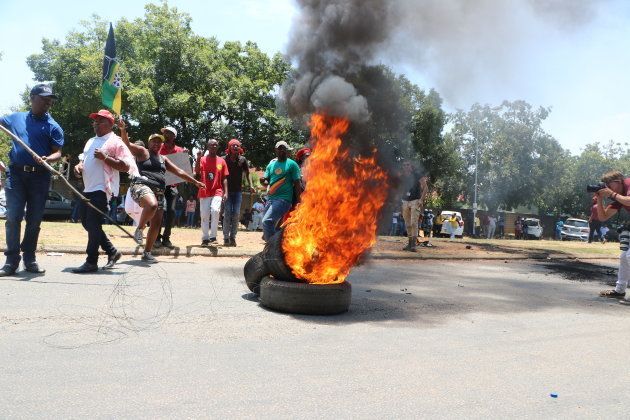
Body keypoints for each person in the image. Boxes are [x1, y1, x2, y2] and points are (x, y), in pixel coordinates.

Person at [0, 84, 64, 276]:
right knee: (13, 217)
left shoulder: (53, 126)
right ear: (32, 97)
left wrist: (47, 159)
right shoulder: (15, 118)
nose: (48, 103)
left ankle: (30, 259)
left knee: (34, 220)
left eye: (50, 101)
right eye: (44, 99)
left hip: (40, 177)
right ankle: (11, 261)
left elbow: (58, 153)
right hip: (16, 175)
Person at [121, 124, 205, 262]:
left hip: (159, 191)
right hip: (141, 186)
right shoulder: (142, 152)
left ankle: (147, 252)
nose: (157, 143)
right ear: (149, 143)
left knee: (156, 223)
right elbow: (127, 144)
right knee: (152, 205)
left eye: (159, 141)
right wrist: (123, 130)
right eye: (154, 141)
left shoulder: (163, 159)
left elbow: (179, 171)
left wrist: (195, 182)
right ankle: (140, 228)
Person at [71, 110, 137, 273]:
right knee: (87, 223)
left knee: (93, 223)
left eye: (99, 121)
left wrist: (105, 158)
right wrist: (78, 167)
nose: (95, 124)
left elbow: (126, 166)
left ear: (110, 124)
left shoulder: (116, 142)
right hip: (88, 188)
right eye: (94, 121)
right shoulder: (90, 141)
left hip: (103, 189)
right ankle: (112, 251)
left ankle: (91, 261)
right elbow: (83, 160)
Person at [595, 170, 630, 304]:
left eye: (609, 184)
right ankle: (619, 291)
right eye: (605, 185)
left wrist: (611, 194)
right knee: (624, 257)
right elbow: (603, 217)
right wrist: (599, 199)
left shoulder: (628, 183)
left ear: (619, 181)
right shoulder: (618, 195)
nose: (607, 188)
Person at [260, 141, 302, 241]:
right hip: (270, 199)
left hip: (283, 200)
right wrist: (262, 181)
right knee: (267, 224)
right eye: (280, 148)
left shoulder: (292, 164)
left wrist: (298, 201)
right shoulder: (271, 165)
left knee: (267, 221)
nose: (282, 150)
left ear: (286, 150)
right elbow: (266, 182)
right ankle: (279, 244)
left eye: (284, 148)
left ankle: (273, 247)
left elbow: (297, 183)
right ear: (276, 150)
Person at [155, 126, 187, 249]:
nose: (166, 135)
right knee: (159, 210)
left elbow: (183, 170)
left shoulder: (180, 150)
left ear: (174, 136)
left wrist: (185, 158)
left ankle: (166, 238)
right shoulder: (158, 148)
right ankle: (156, 237)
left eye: (169, 133)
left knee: (171, 211)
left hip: (172, 185)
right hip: (159, 184)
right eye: (165, 133)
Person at [195, 139, 229, 246]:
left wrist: (226, 192)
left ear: (217, 147)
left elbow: (224, 178)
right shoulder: (202, 159)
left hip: (217, 191)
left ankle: (213, 236)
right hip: (204, 190)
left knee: (215, 210)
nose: (214, 146)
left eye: (215, 145)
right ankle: (205, 238)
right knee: (204, 215)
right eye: (211, 145)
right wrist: (198, 158)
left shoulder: (221, 161)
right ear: (208, 147)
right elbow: (196, 172)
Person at [222, 139, 254, 247]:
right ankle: (226, 238)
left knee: (235, 214)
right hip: (226, 191)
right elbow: (221, 175)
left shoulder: (242, 160)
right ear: (229, 148)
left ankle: (233, 237)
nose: (235, 147)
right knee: (227, 214)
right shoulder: (224, 159)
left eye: (237, 146)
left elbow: (248, 173)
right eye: (233, 146)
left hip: (237, 192)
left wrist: (251, 185)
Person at [400, 160, 428, 252]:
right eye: (404, 165)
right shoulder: (403, 177)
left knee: (413, 222)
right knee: (407, 224)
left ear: (411, 166)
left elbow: (425, 188)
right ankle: (409, 243)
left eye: (407, 164)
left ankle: (413, 245)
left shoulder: (417, 175)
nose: (406, 166)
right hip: (405, 201)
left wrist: (421, 200)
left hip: (415, 201)